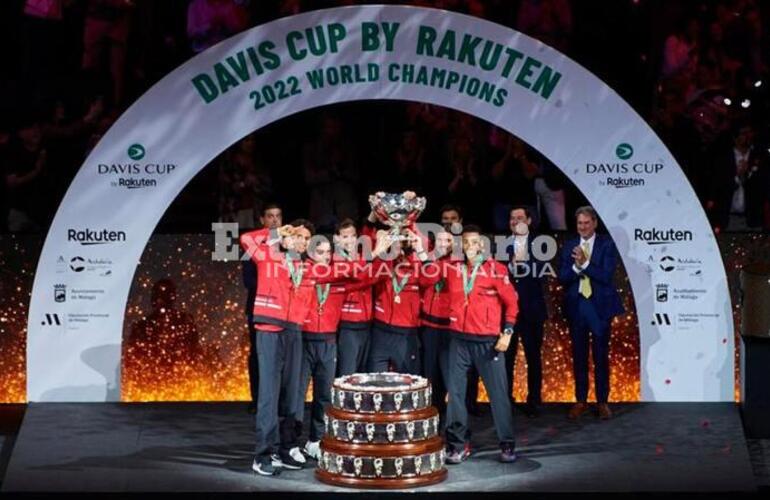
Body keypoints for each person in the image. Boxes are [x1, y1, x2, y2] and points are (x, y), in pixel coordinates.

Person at [240, 219, 348, 476]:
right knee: (269, 395)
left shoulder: (306, 268)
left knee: (291, 395)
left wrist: (375, 254)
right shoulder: (268, 255)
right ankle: (263, 454)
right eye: (296, 236)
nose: (300, 242)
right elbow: (246, 239)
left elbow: (342, 273)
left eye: (305, 239)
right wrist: (275, 232)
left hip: (294, 331)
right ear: (286, 238)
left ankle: (286, 448)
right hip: (269, 330)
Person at [440, 225, 519, 464]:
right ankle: (457, 444)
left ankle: (506, 443)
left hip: (488, 342)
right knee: (454, 395)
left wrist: (507, 332)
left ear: (482, 245)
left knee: (498, 395)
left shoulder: (496, 270)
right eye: (466, 243)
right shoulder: (453, 269)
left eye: (474, 242)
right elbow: (426, 267)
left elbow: (513, 304)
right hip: (458, 340)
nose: (470, 247)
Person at [558, 206, 623, 420]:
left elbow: (605, 275)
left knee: (600, 356)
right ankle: (580, 400)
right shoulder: (569, 245)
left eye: (586, 223)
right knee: (579, 356)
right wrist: (576, 267)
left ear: (594, 223)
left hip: (599, 309)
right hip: (578, 308)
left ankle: (602, 401)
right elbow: (563, 277)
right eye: (579, 223)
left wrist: (584, 263)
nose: (583, 227)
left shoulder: (607, 244)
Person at [505, 206, 548, 417]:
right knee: (506, 357)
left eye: (520, 217)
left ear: (529, 221)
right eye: (512, 218)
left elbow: (542, 273)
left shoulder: (541, 245)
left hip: (532, 309)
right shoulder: (501, 245)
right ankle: (506, 400)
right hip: (507, 313)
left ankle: (534, 400)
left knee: (533, 357)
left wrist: (523, 264)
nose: (515, 221)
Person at [242, 203, 282, 414]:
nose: (275, 220)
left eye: (278, 216)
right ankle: (257, 398)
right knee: (258, 354)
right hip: (259, 308)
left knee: (283, 356)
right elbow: (248, 281)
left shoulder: (289, 246)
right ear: (262, 220)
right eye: (270, 216)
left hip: (283, 309)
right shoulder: (253, 248)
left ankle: (281, 399)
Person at [420, 229, 456, 420]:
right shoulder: (427, 260)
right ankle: (432, 425)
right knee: (430, 378)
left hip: (450, 330)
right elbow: (427, 279)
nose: (443, 243)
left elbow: (439, 277)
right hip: (430, 327)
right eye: (440, 240)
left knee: (452, 381)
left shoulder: (458, 263)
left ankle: (454, 430)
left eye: (447, 240)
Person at [334, 218, 373, 376]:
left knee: (363, 377)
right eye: (344, 237)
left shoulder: (362, 257)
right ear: (337, 239)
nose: (350, 240)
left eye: (352, 236)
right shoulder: (335, 260)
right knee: (347, 375)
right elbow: (357, 277)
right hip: (347, 326)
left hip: (367, 326)